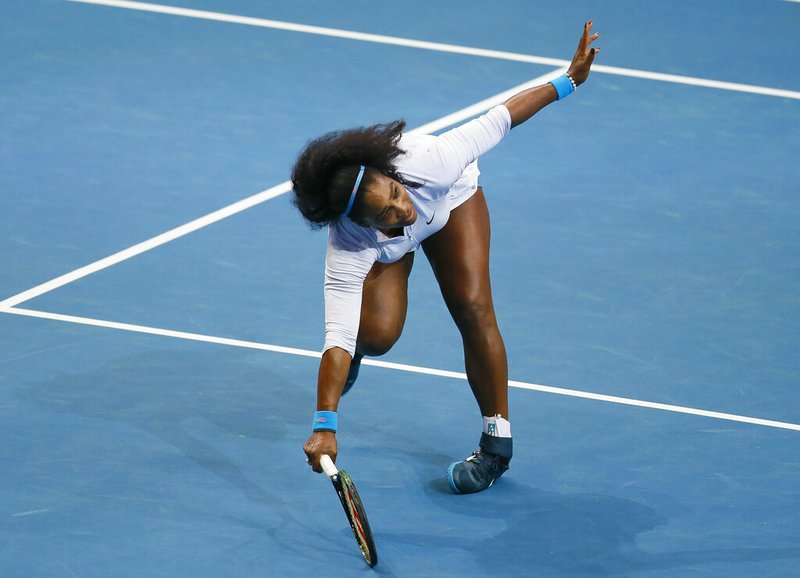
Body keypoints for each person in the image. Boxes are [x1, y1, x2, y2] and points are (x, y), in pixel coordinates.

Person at [295, 22, 600, 493]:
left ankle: (497, 445)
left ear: (391, 173)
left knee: (474, 307)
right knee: (368, 336)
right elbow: (334, 334)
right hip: (387, 248)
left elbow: (504, 116)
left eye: (395, 192)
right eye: (386, 211)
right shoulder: (349, 243)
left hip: (452, 202)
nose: (402, 208)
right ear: (361, 223)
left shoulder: (433, 160)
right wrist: (325, 424)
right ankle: (373, 329)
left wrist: (569, 80)